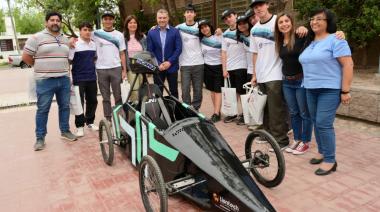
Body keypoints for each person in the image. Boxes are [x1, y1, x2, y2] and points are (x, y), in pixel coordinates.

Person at [299, 9, 353, 175]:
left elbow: (348, 65)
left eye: (319, 19)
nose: (314, 22)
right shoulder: (309, 41)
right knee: (316, 121)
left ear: (328, 22)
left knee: (323, 123)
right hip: (309, 88)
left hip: (329, 89)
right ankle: (322, 152)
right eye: (312, 19)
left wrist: (345, 90)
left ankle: (330, 160)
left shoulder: (336, 40)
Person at [22, 11, 77, 151]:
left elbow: (68, 56)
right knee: (43, 109)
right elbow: (26, 57)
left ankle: (65, 131)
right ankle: (40, 138)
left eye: (58, 20)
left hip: (63, 79)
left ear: (60, 23)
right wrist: (38, 66)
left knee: (64, 107)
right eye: (52, 20)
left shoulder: (65, 38)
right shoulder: (36, 37)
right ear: (46, 23)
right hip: (44, 81)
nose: (55, 22)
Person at [273, 13, 313, 154]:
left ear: (292, 22)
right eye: (281, 22)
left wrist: (304, 28)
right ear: (277, 26)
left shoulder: (300, 36)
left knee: (304, 113)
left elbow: (314, 35)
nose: (284, 24)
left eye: (286, 21)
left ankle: (305, 141)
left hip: (300, 80)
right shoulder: (279, 41)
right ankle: (296, 139)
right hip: (286, 82)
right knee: (293, 112)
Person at [93, 11, 127, 122]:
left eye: (110, 19)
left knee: (118, 95)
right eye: (105, 19)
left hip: (116, 68)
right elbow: (84, 37)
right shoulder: (96, 33)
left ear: (113, 20)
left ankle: (119, 118)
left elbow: (122, 53)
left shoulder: (119, 35)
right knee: (105, 97)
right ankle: (108, 118)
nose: (108, 21)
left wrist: (124, 70)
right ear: (102, 20)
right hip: (101, 69)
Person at [69, 22, 98, 137]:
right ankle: (80, 126)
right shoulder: (74, 45)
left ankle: (90, 122)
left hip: (91, 77)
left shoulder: (93, 44)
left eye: (89, 30)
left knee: (92, 100)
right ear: (80, 31)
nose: (87, 32)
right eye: (85, 30)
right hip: (78, 78)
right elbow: (70, 61)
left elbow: (94, 59)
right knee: (79, 103)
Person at [147, 9, 182, 98]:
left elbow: (178, 49)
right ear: (156, 19)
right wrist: (158, 64)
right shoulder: (151, 32)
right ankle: (160, 111)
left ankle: (175, 110)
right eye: (160, 18)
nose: (162, 20)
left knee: (173, 91)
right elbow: (150, 51)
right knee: (158, 92)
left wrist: (169, 62)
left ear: (168, 18)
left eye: (164, 18)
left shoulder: (175, 31)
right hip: (158, 67)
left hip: (172, 66)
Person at [221, 9, 248, 125]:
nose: (228, 19)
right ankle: (232, 113)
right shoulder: (225, 33)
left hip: (242, 66)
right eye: (225, 18)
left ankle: (244, 114)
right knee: (232, 92)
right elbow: (223, 52)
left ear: (236, 15)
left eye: (229, 16)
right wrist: (224, 69)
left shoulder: (243, 30)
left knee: (242, 92)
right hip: (230, 68)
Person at [176, 4, 204, 111]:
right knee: (185, 89)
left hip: (199, 63)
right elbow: (168, 31)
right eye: (187, 12)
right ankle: (187, 109)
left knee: (198, 89)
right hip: (184, 63)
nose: (189, 14)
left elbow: (210, 33)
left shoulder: (200, 26)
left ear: (195, 14)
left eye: (191, 12)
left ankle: (196, 109)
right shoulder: (179, 27)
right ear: (184, 14)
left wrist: (218, 31)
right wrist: (156, 27)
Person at [198, 19, 223, 122]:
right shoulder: (200, 40)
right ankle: (216, 111)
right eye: (202, 28)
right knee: (212, 91)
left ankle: (216, 113)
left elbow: (225, 52)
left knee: (217, 90)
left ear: (210, 27)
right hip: (207, 67)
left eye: (206, 26)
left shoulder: (219, 37)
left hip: (218, 67)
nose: (205, 29)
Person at [124, 15, 147, 102]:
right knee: (135, 90)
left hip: (142, 66)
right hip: (131, 67)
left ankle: (143, 110)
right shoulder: (123, 37)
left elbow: (146, 52)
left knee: (143, 90)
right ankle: (135, 111)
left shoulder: (142, 37)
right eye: (130, 23)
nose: (133, 24)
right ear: (127, 24)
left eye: (135, 23)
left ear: (137, 24)